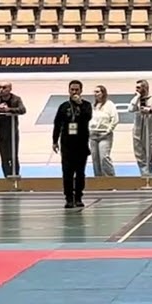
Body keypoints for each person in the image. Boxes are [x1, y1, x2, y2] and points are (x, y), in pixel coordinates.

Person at [52, 80, 93, 208]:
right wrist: (54, 141)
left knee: (80, 173)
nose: (74, 92)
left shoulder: (86, 105)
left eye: (77, 89)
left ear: (81, 90)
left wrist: (79, 104)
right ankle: (69, 198)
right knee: (67, 173)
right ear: (69, 90)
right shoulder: (64, 106)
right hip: (67, 144)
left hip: (81, 144)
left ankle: (79, 197)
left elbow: (87, 117)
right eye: (72, 89)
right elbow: (57, 124)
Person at [0, 82, 27, 178]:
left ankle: (15, 176)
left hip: (12, 132)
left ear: (10, 89)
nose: (1, 90)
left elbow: (23, 110)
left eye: (4, 87)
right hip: (0, 132)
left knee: (14, 156)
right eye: (0, 87)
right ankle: (7, 177)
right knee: (4, 157)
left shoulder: (16, 99)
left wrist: (9, 110)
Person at [89, 85, 118, 177]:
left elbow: (115, 119)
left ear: (103, 93)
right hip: (93, 135)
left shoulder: (109, 105)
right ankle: (99, 181)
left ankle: (111, 181)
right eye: (94, 92)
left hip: (104, 135)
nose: (95, 94)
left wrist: (109, 130)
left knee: (104, 158)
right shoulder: (93, 106)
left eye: (97, 92)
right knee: (95, 159)